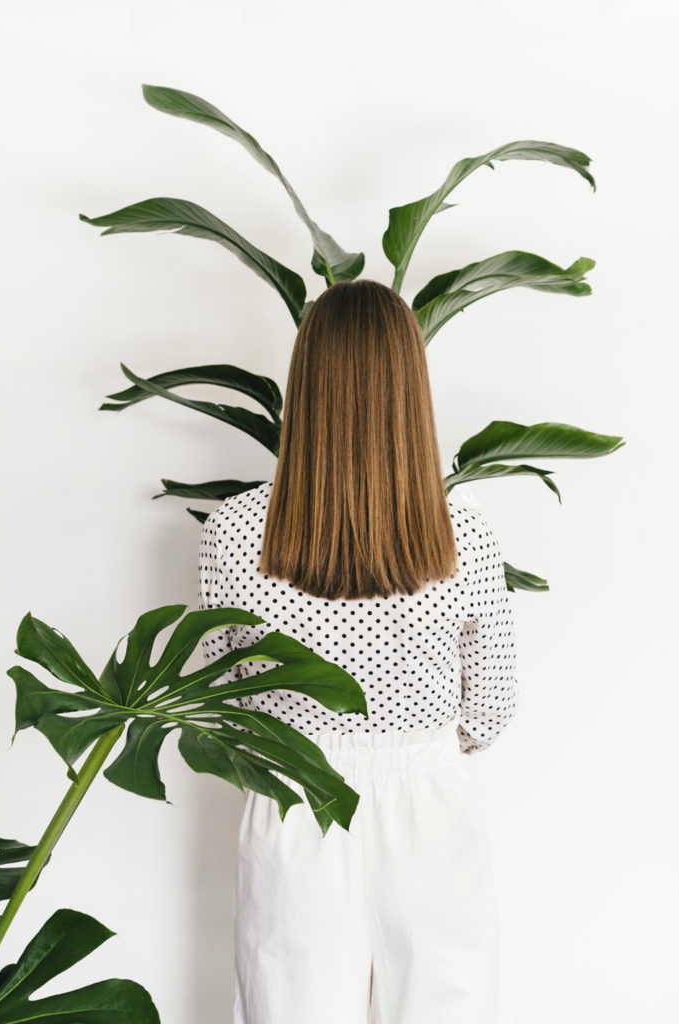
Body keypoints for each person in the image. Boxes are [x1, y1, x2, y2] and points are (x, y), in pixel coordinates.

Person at [197, 278, 519, 1024]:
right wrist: (418, 744)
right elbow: (492, 705)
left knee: (289, 1006)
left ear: (304, 380)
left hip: (295, 801)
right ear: (410, 384)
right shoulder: (461, 534)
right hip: (429, 802)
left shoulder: (236, 531)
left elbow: (228, 694)